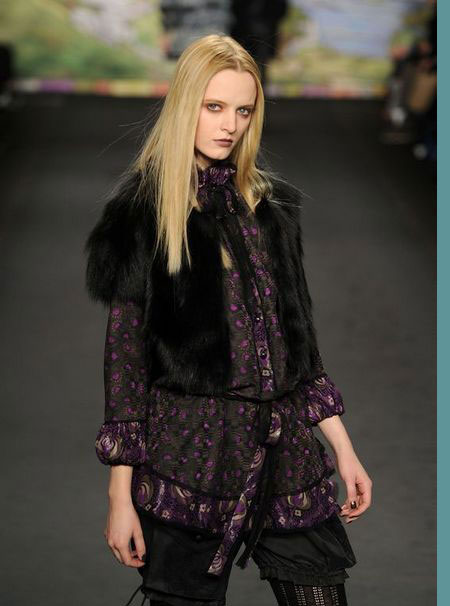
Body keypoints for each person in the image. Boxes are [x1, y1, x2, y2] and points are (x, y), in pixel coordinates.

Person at [84, 34, 372, 606]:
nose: (229, 125)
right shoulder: (143, 213)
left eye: (243, 111)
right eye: (214, 106)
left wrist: (342, 446)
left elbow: (296, 344)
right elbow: (125, 366)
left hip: (281, 445)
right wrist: (120, 496)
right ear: (184, 104)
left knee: (320, 591)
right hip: (189, 452)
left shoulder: (271, 207)